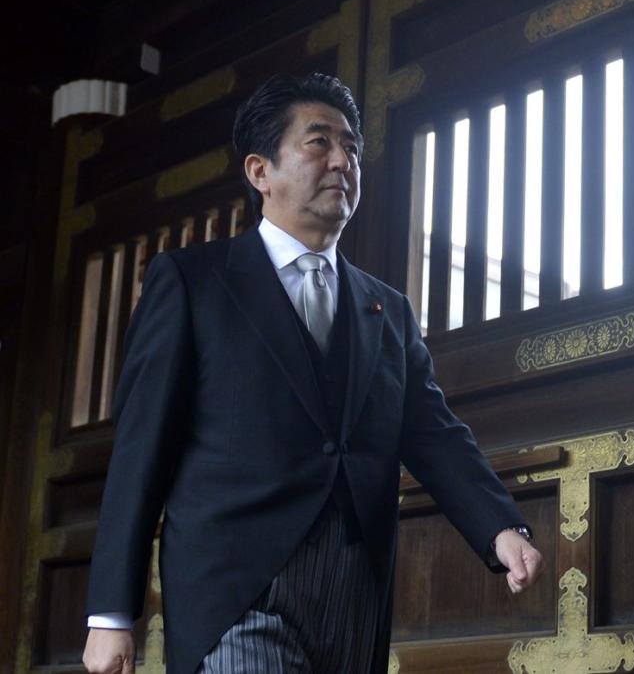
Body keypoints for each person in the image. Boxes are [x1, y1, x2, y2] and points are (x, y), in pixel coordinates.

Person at [81, 73, 543, 674]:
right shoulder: (192, 283)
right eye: (318, 142)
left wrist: (498, 529)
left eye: (351, 148)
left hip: (352, 591)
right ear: (259, 172)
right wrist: (110, 615)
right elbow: (142, 447)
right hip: (234, 594)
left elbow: (432, 433)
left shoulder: (388, 311)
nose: (342, 161)